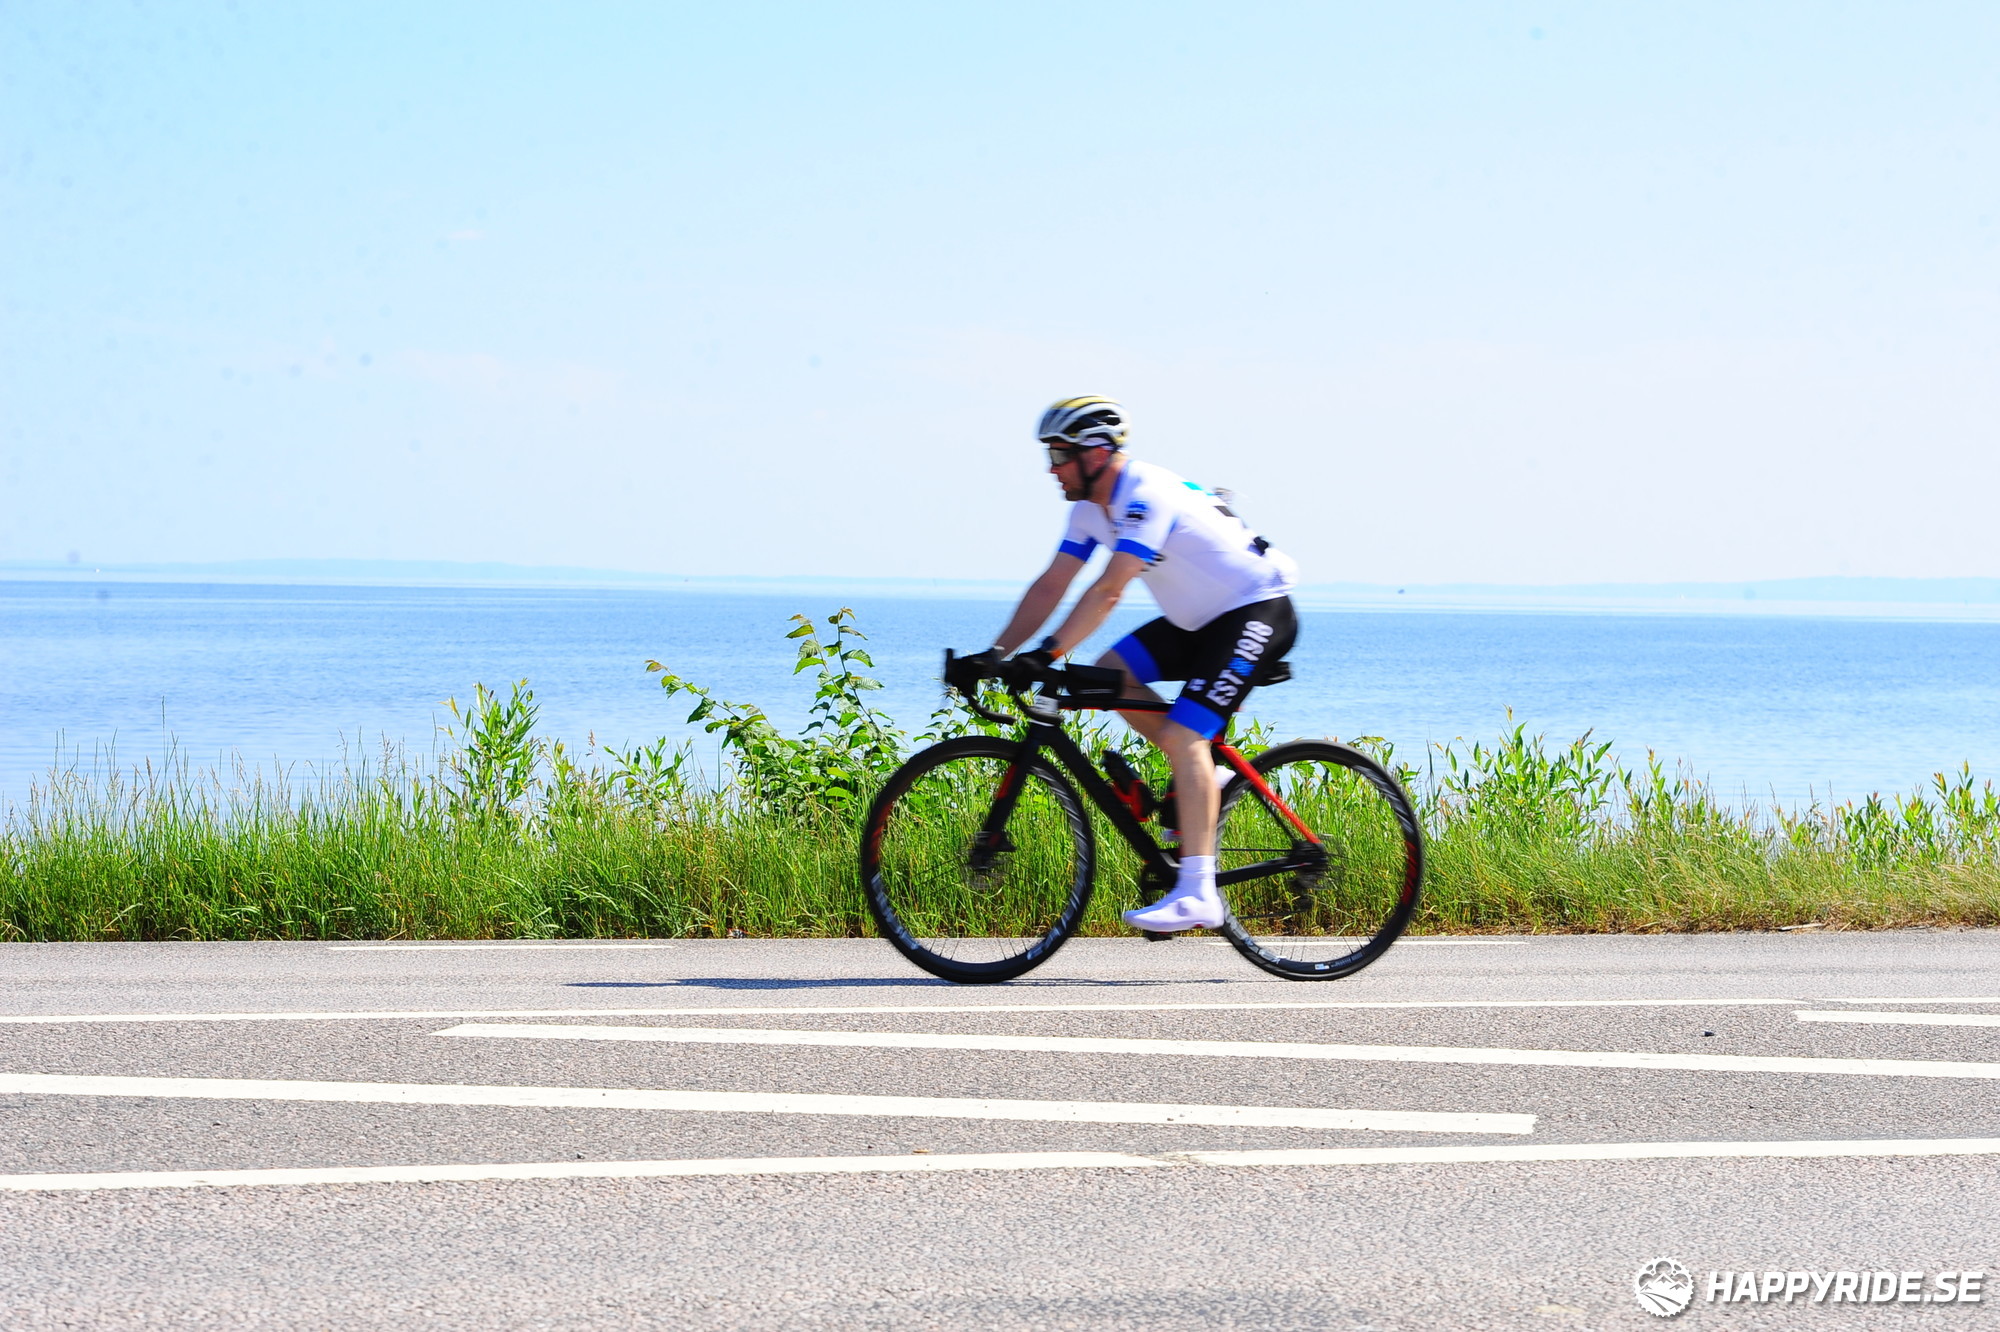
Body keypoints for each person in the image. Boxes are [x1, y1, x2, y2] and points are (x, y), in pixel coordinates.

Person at [969, 396, 1299, 933]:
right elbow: (1052, 584)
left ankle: (1198, 894)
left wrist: (1047, 654)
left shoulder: (1145, 495)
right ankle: (1208, 779)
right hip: (1199, 621)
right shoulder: (1087, 511)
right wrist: (997, 654)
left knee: (1184, 736)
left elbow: (1109, 590)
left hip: (1256, 611)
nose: (1052, 469)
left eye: (1060, 454)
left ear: (1097, 452)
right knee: (1108, 677)